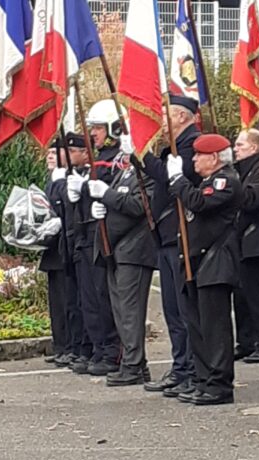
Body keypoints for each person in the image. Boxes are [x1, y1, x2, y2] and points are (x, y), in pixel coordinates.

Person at [166, 134, 243, 405]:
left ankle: (219, 384)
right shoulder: (207, 182)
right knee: (197, 325)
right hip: (197, 261)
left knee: (215, 327)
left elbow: (200, 203)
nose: (194, 159)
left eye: (199, 155)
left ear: (214, 158)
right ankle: (203, 378)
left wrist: (178, 180)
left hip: (216, 261)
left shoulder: (225, 181)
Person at [141, 95, 202, 398]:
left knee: (184, 307)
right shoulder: (174, 148)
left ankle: (192, 368)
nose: (162, 123)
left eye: (166, 117)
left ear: (182, 116)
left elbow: (172, 176)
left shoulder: (193, 145)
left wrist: (143, 157)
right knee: (172, 310)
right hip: (166, 236)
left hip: (182, 236)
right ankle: (180, 367)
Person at [88, 130, 159, 387]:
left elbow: (139, 206)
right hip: (116, 249)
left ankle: (134, 364)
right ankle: (132, 362)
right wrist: (101, 208)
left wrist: (106, 195)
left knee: (130, 312)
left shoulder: (146, 174)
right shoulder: (125, 172)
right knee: (120, 311)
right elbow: (119, 200)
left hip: (135, 249)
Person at [65, 127, 121, 376]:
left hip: (100, 237)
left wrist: (86, 189)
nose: (94, 133)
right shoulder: (88, 168)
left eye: (98, 128)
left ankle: (111, 350)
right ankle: (98, 348)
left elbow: (111, 192)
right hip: (84, 237)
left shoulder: (112, 162)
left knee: (102, 298)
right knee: (88, 301)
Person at [232, 129, 259, 364]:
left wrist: (230, 184)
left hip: (254, 239)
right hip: (240, 240)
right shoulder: (241, 171)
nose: (235, 149)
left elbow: (252, 200)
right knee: (241, 294)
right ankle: (245, 341)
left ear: (254, 147)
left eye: (240, 145)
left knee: (257, 294)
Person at [41, 140, 85, 369]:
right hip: (53, 248)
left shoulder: (69, 178)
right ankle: (61, 345)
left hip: (67, 246)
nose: (49, 156)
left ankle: (71, 347)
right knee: (57, 303)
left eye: (54, 152)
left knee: (70, 301)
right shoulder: (53, 179)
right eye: (47, 152)